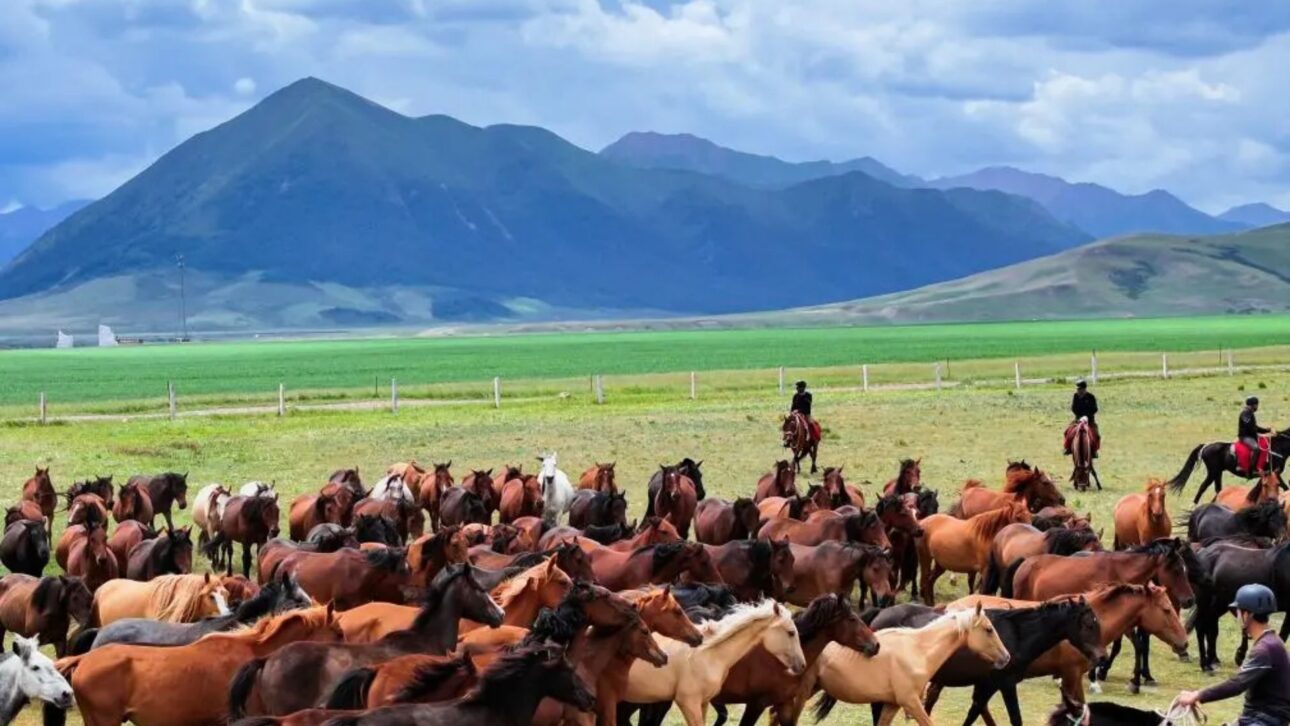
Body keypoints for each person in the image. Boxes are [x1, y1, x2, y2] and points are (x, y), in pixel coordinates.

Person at [1177, 583, 1290, 726]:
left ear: (1247, 615)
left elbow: (1238, 684)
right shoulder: (1273, 642)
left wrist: (1197, 695)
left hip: (1262, 721)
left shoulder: (1265, 649)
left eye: (1237, 611)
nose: (1236, 616)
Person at [1065, 379, 1099, 456]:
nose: (1079, 391)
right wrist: (1079, 417)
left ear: (1084, 389)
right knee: (1067, 431)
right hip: (1078, 420)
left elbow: (1095, 409)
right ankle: (1068, 448)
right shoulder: (1075, 396)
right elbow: (1073, 408)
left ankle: (1094, 450)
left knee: (1096, 434)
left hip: (1089, 420)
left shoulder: (1091, 397)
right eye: (1077, 389)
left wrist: (1086, 416)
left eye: (1080, 389)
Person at [1240, 396, 1272, 474]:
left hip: (1251, 435)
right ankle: (1251, 469)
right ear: (1253, 405)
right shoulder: (1245, 413)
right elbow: (1249, 426)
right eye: (1256, 405)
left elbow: (1254, 427)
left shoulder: (1250, 413)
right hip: (1245, 436)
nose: (1257, 407)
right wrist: (1259, 434)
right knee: (1256, 448)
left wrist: (1266, 431)